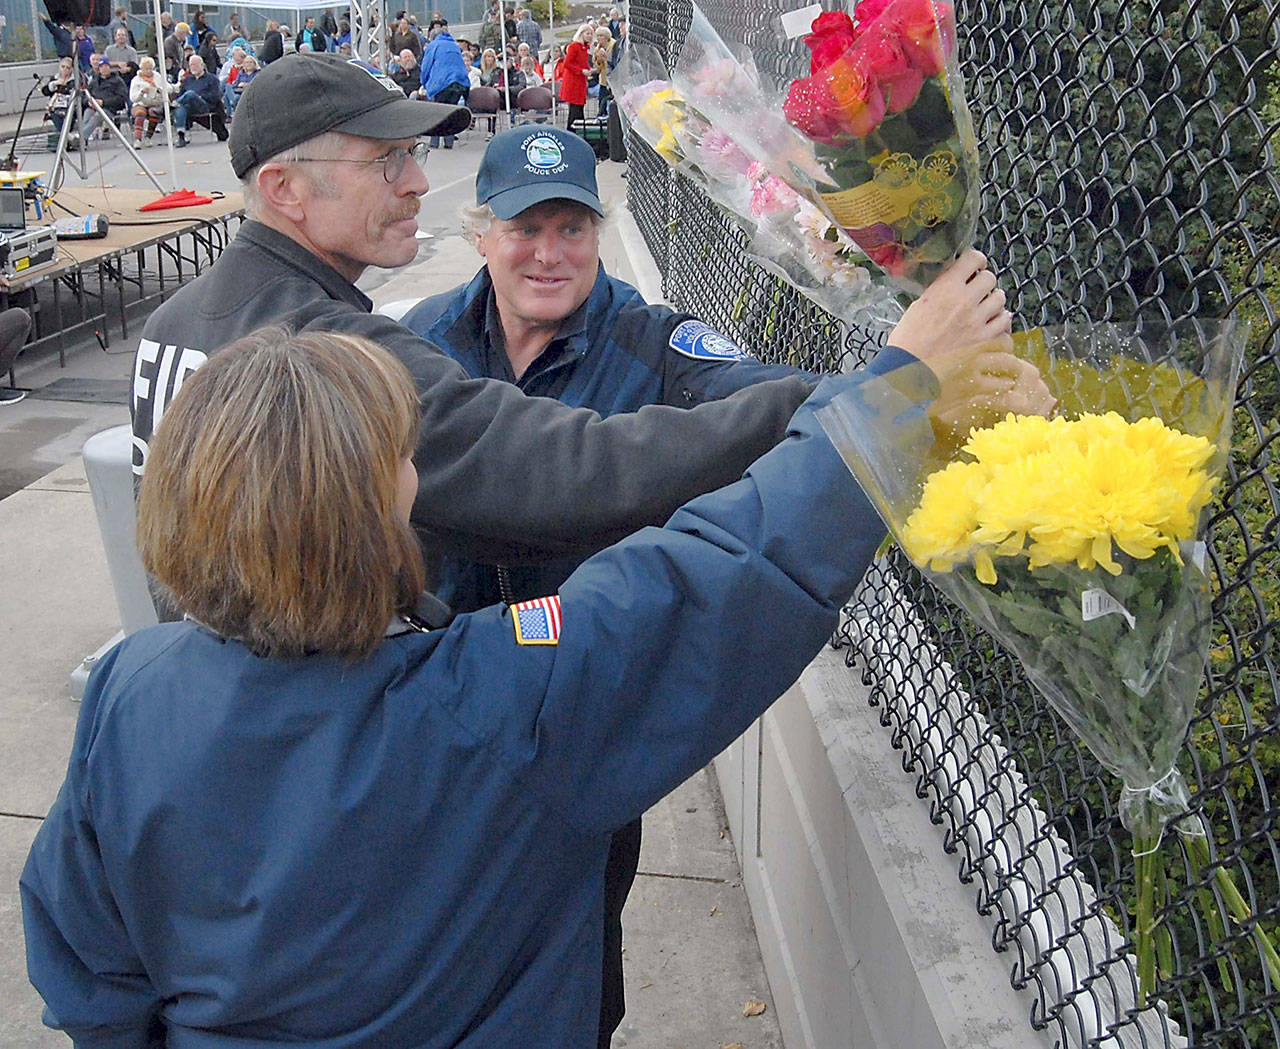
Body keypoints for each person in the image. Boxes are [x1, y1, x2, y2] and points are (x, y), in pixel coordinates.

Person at [24, 232, 1020, 1042]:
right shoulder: (500, 701)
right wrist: (896, 387)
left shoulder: (132, 688)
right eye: (399, 458)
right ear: (377, 506)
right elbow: (733, 560)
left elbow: (89, 965)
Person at [400, 125, 829, 1045]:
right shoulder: (419, 342)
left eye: (573, 229)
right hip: (441, 704)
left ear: (600, 234)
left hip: (579, 714)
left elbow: (762, 393)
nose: (549, 254)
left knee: (573, 955)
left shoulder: (651, 340)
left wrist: (882, 394)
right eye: (525, 227)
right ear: (481, 233)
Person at [127, 54, 823, 593]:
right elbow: (556, 474)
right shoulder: (330, 354)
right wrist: (846, 402)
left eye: (573, 227)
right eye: (386, 159)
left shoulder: (174, 322)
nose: (417, 182)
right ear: (285, 189)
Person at [419, 21, 470, 149]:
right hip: (460, 82)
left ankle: (434, 142)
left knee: (436, 112)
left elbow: (426, 66)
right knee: (451, 111)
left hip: (441, 83)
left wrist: (423, 82)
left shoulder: (433, 45)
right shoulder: (454, 45)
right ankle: (449, 142)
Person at [171, 54, 227, 146]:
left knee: (190, 94)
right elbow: (181, 94)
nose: (193, 67)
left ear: (202, 65)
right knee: (180, 108)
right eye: (191, 65)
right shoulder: (188, 79)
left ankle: (171, 107)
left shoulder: (212, 79)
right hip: (189, 107)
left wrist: (200, 96)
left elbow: (215, 96)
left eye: (196, 64)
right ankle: (181, 137)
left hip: (205, 106)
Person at [80, 58, 129, 142]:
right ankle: (83, 140)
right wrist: (89, 102)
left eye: (106, 66)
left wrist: (103, 102)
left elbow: (121, 98)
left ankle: (80, 139)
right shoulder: (94, 82)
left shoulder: (117, 81)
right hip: (93, 106)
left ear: (109, 67)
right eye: (101, 67)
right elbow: (85, 95)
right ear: (99, 69)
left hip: (110, 109)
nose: (104, 68)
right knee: (87, 114)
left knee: (97, 116)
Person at [129, 56, 167, 147]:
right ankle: (138, 139)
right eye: (146, 69)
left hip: (154, 102)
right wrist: (141, 92)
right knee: (140, 112)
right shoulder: (136, 80)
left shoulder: (157, 77)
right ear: (141, 68)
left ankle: (148, 137)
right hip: (140, 103)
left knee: (153, 112)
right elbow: (133, 98)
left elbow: (166, 88)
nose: (149, 71)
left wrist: (159, 90)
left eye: (151, 68)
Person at [561, 25, 593, 129]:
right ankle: (573, 130)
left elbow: (582, 62)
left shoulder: (584, 48)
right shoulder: (574, 46)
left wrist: (588, 70)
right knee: (575, 109)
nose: (590, 36)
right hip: (573, 82)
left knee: (579, 108)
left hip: (580, 81)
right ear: (581, 34)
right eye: (587, 33)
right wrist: (581, 71)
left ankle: (577, 130)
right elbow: (567, 63)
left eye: (591, 34)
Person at [40, 57, 77, 134]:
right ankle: (66, 137)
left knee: (68, 120)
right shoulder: (54, 79)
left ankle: (67, 138)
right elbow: (45, 92)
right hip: (56, 109)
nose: (65, 69)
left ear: (71, 69)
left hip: (70, 108)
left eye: (68, 67)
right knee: (56, 117)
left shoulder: (75, 81)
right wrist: (54, 84)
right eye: (63, 66)